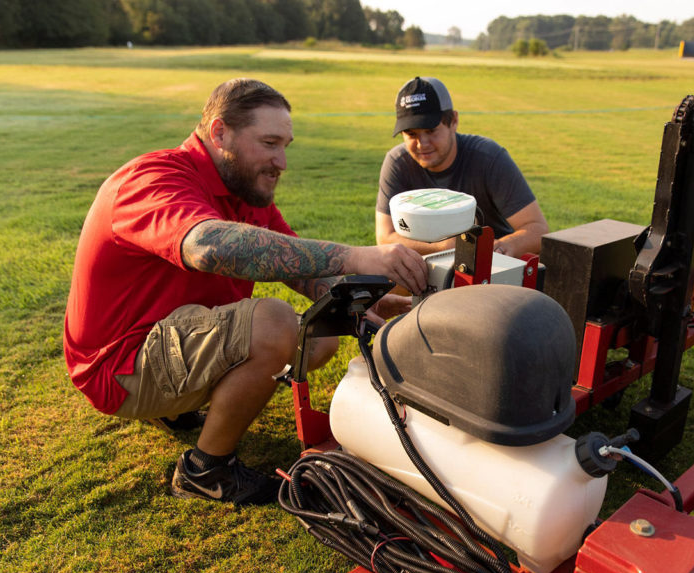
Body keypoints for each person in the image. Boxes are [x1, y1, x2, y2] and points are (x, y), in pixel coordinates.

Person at [64, 78, 427, 506]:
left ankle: (177, 409)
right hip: (118, 366)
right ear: (219, 133)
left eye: (285, 145)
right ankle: (205, 469)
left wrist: (363, 300)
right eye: (270, 143)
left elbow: (297, 269)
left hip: (165, 345)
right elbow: (209, 246)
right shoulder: (152, 178)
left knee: (321, 329)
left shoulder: (243, 190)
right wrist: (355, 257)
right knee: (273, 322)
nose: (282, 161)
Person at [375, 76, 549, 258]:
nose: (422, 144)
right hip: (423, 268)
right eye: (411, 134)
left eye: (431, 130)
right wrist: (445, 248)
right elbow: (385, 237)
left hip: (490, 264)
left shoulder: (489, 158)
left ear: (454, 121)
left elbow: (537, 229)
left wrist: (497, 249)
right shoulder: (397, 162)